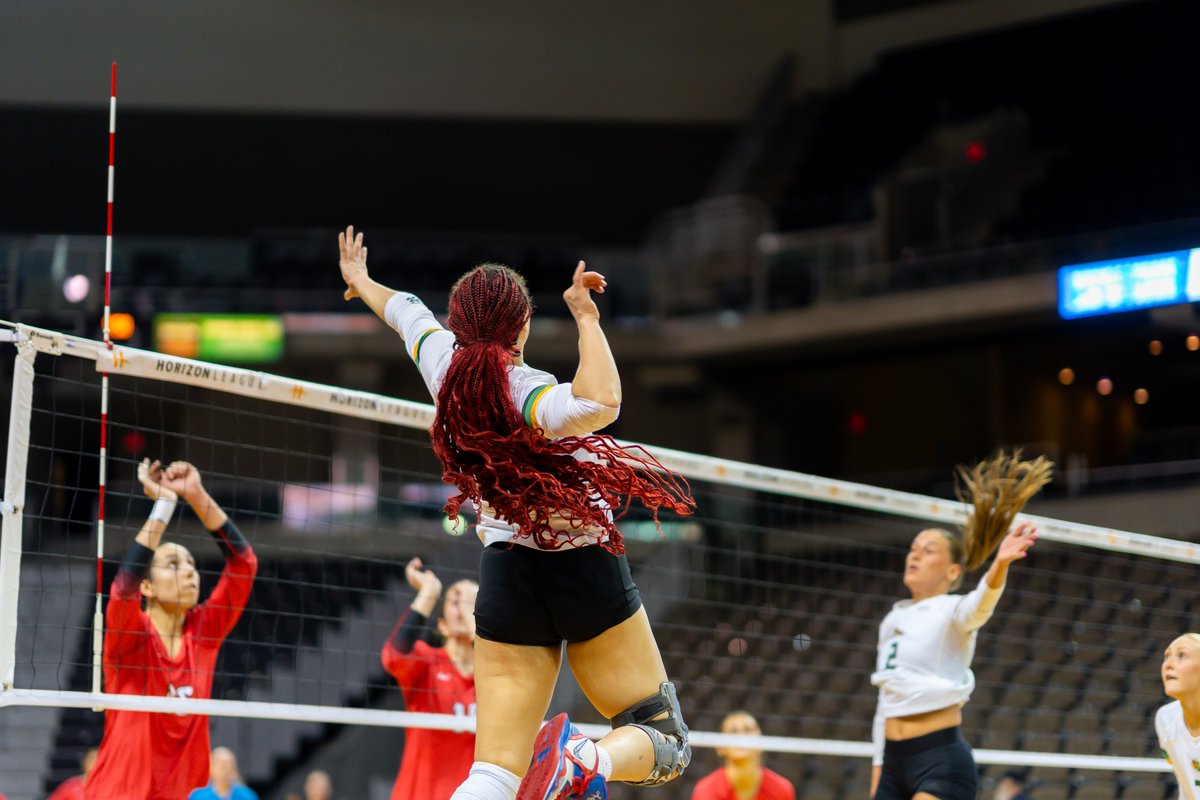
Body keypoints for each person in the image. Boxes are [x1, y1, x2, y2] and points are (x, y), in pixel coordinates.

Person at [338, 225, 696, 800]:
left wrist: (361, 280)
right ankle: (582, 757)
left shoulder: (443, 373)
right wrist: (585, 316)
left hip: (506, 574)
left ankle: (562, 763)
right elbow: (602, 401)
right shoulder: (531, 394)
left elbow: (406, 312)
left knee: (495, 773)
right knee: (663, 737)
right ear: (524, 325)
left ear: (457, 325)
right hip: (582, 569)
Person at [870, 451, 1052, 800]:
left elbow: (981, 605)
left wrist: (999, 565)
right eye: (913, 549)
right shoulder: (892, 619)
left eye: (928, 550)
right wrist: (878, 772)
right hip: (893, 763)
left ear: (953, 571)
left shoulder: (953, 610)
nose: (915, 555)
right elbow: (885, 701)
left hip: (938, 759)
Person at [84, 459, 258, 800]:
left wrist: (196, 495)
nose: (190, 573)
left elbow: (244, 564)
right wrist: (164, 506)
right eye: (174, 565)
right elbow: (123, 588)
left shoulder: (204, 633)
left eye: (192, 565)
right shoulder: (130, 635)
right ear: (147, 587)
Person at [382, 558, 478, 800]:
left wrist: (480, 630)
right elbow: (393, 656)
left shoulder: (495, 676)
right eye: (456, 601)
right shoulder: (428, 660)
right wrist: (429, 593)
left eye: (472, 601)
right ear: (443, 626)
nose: (464, 606)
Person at [690, 711, 795, 800]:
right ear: (720, 747)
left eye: (748, 730)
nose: (741, 736)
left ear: (762, 741)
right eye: (733, 731)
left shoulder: (782, 789)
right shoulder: (706, 791)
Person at [1157, 633, 1200, 800]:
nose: (1169, 664)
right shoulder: (1165, 718)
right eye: (1167, 656)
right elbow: (1187, 784)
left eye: (1181, 655)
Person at [188, 747, 259, 800]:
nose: (224, 769)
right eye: (220, 764)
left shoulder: (247, 796)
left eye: (228, 765)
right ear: (211, 768)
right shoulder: (198, 796)